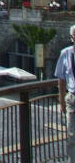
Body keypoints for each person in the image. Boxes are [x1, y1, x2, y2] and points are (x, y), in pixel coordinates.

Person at [55, 23, 75, 163]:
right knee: (72, 135)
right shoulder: (65, 53)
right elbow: (61, 80)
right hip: (72, 99)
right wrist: (61, 103)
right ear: (72, 37)